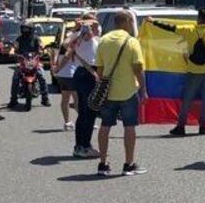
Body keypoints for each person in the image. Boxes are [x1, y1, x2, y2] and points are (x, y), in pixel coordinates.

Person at [92, 9, 147, 177]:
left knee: (105, 126)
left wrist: (104, 84)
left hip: (108, 93)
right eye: (131, 22)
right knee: (129, 127)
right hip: (128, 91)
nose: (132, 25)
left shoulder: (104, 40)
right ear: (125, 22)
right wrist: (143, 90)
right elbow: (138, 69)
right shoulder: (131, 42)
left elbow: (100, 70)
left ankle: (103, 164)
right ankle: (128, 164)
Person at [151, 8, 205, 136]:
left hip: (193, 70)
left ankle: (181, 126)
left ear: (198, 18)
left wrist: (153, 22)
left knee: (187, 99)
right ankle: (203, 127)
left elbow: (169, 28)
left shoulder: (189, 30)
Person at [69, 14, 101, 158]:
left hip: (83, 73)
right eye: (93, 22)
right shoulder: (83, 36)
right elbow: (69, 42)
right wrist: (82, 28)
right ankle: (85, 147)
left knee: (83, 113)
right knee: (89, 112)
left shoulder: (93, 39)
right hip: (87, 74)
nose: (96, 25)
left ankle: (80, 145)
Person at [8, 22, 49, 107]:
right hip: (23, 63)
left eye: (27, 29)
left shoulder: (36, 39)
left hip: (34, 62)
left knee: (42, 77)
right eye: (23, 29)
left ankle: (45, 99)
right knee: (15, 78)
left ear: (31, 30)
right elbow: (14, 46)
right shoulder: (19, 39)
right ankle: (13, 100)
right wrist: (12, 51)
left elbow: (41, 46)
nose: (25, 30)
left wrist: (43, 50)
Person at [52, 22, 80, 130]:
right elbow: (67, 57)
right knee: (77, 99)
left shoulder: (66, 40)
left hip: (62, 75)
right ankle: (84, 120)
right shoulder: (73, 43)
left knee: (65, 98)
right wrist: (58, 67)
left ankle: (67, 122)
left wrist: (57, 69)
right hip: (70, 74)